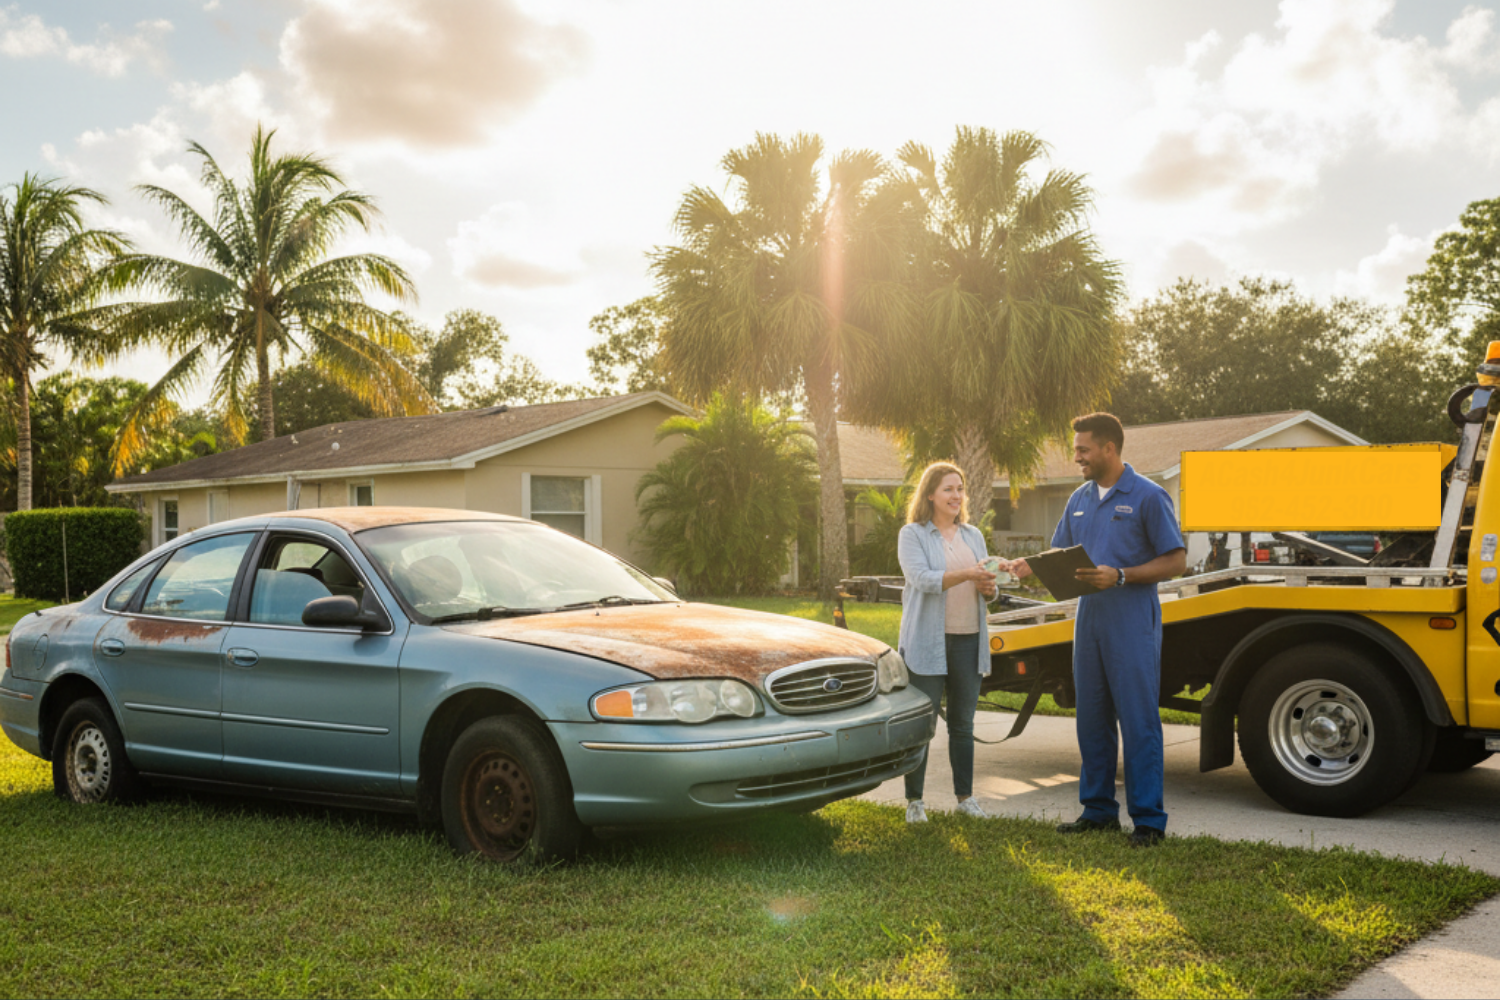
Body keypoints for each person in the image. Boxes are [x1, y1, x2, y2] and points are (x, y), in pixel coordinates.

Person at [1009, 413, 1185, 847]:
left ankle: (1148, 820)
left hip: (1131, 619)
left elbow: (1177, 560)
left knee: (1139, 721)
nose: (1077, 456)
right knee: (1091, 719)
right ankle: (1098, 811)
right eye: (1077, 449)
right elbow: (1061, 552)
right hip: (1087, 621)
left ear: (1109, 448)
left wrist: (1121, 575)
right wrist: (1028, 567)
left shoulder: (1147, 496)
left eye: (1083, 449)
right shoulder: (1079, 498)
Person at [896, 461, 998, 824]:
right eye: (948, 489)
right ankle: (915, 802)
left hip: (969, 639)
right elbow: (923, 579)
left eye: (960, 489)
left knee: (963, 725)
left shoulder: (973, 536)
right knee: (922, 725)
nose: (957, 496)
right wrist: (969, 574)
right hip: (928, 641)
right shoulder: (913, 534)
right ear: (930, 495)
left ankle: (965, 799)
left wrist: (989, 586)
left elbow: (987, 588)